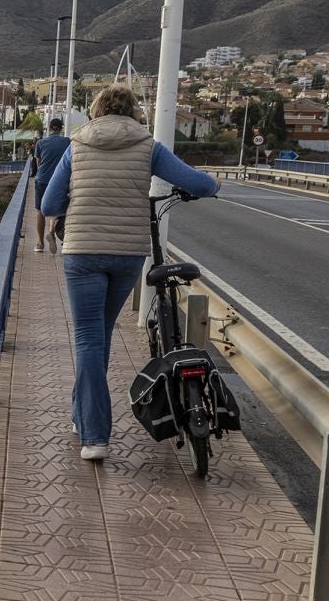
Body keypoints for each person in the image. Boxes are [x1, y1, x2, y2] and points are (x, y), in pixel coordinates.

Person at [40, 84, 218, 462]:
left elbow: (49, 202)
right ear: (133, 111)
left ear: (96, 110)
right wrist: (214, 184)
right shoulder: (147, 146)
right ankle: (82, 414)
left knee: (89, 338)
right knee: (101, 332)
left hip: (83, 252)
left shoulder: (77, 146)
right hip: (126, 255)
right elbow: (198, 183)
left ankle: (95, 435)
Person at [31, 118, 70, 253]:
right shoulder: (67, 142)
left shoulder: (41, 143)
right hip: (60, 180)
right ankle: (55, 234)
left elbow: (38, 163)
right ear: (61, 128)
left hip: (42, 180)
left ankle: (40, 244)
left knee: (40, 211)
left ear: (50, 128)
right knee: (59, 210)